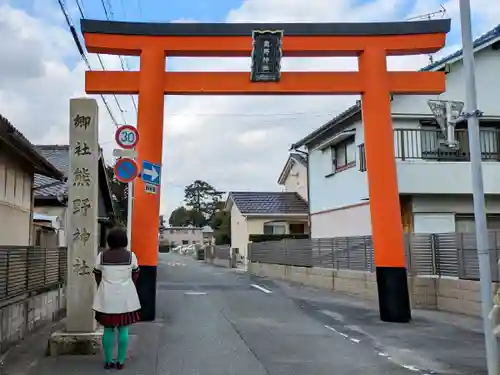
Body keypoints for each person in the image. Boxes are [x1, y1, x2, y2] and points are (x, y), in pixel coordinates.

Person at [92, 227, 141, 370]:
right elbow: (136, 274)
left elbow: (97, 274)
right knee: (123, 329)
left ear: (109, 241)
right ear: (124, 241)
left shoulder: (101, 256)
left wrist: (103, 286)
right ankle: (120, 361)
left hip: (106, 298)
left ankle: (108, 361)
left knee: (108, 329)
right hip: (125, 298)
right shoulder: (131, 256)